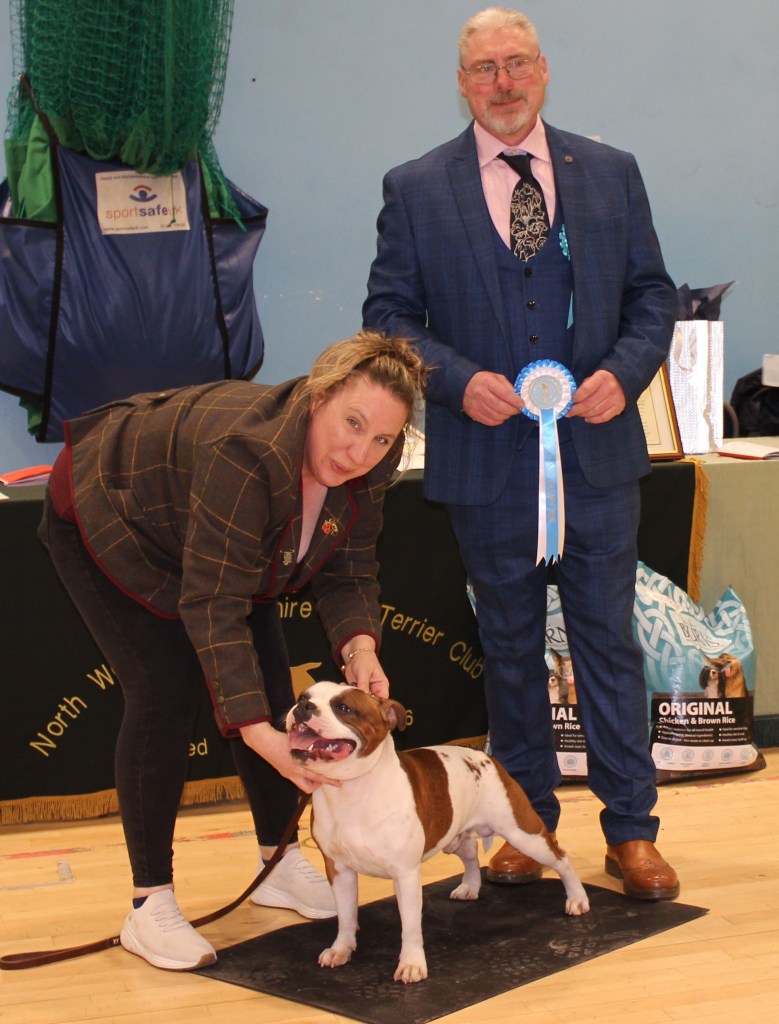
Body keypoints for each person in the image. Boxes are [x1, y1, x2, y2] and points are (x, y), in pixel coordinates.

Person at [363, 7, 680, 900]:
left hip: (598, 459)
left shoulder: (611, 172)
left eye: (515, 64)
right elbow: (388, 315)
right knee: (506, 650)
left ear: (542, 70)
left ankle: (632, 833)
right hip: (483, 464)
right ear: (461, 82)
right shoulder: (414, 187)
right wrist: (457, 381)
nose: (501, 82)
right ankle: (525, 823)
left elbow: (652, 295)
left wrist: (625, 372)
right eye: (483, 69)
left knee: (607, 646)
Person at [39, 330, 426, 970]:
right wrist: (254, 732)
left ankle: (277, 862)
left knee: (276, 690)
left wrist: (360, 646)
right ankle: (149, 904)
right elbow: (214, 603)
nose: (361, 452)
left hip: (222, 542)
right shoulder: (245, 454)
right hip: (117, 515)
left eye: (383, 438)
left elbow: (350, 568)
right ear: (318, 397)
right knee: (164, 692)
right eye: (352, 423)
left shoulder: (372, 464)